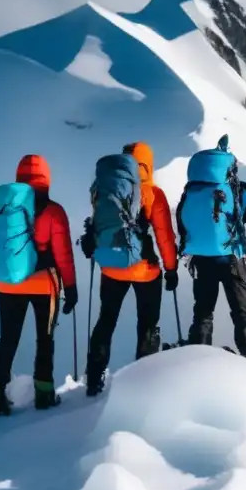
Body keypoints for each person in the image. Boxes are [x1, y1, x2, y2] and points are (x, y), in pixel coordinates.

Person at [0, 154, 78, 416]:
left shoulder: (5, 208)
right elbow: (63, 254)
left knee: (7, 339)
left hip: (9, 284)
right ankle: (44, 394)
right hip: (45, 284)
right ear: (47, 177)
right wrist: (71, 288)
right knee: (45, 339)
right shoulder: (54, 210)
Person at [80, 141, 178, 396]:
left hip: (111, 267)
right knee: (147, 324)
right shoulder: (153, 194)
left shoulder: (107, 185)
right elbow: (164, 236)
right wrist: (171, 268)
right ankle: (142, 381)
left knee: (106, 320)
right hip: (145, 269)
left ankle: (93, 378)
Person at [176, 135, 246, 365]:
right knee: (242, 316)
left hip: (202, 259)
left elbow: (181, 221)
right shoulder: (241, 191)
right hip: (232, 259)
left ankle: (197, 358)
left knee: (203, 313)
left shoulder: (192, 190)